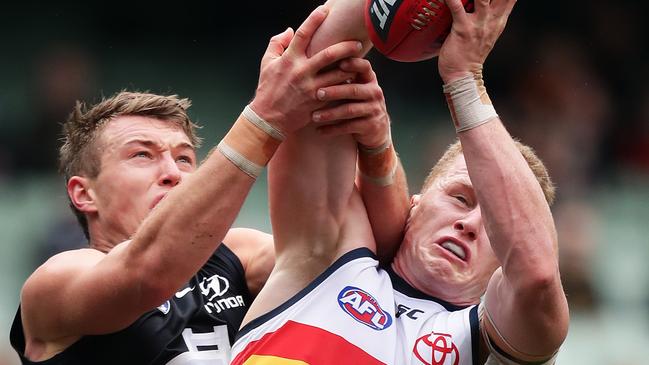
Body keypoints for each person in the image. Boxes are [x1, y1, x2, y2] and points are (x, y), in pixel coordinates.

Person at [9, 7, 405, 364]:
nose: (173, 173)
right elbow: (148, 272)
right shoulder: (54, 284)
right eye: (142, 155)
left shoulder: (237, 254)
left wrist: (377, 146)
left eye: (184, 158)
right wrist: (267, 115)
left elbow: (364, 261)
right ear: (83, 193)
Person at [231, 0, 569, 364]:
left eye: (494, 226)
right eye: (460, 198)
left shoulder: (488, 342)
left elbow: (535, 273)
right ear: (415, 204)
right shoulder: (325, 259)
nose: (469, 226)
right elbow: (318, 56)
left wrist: (465, 80)